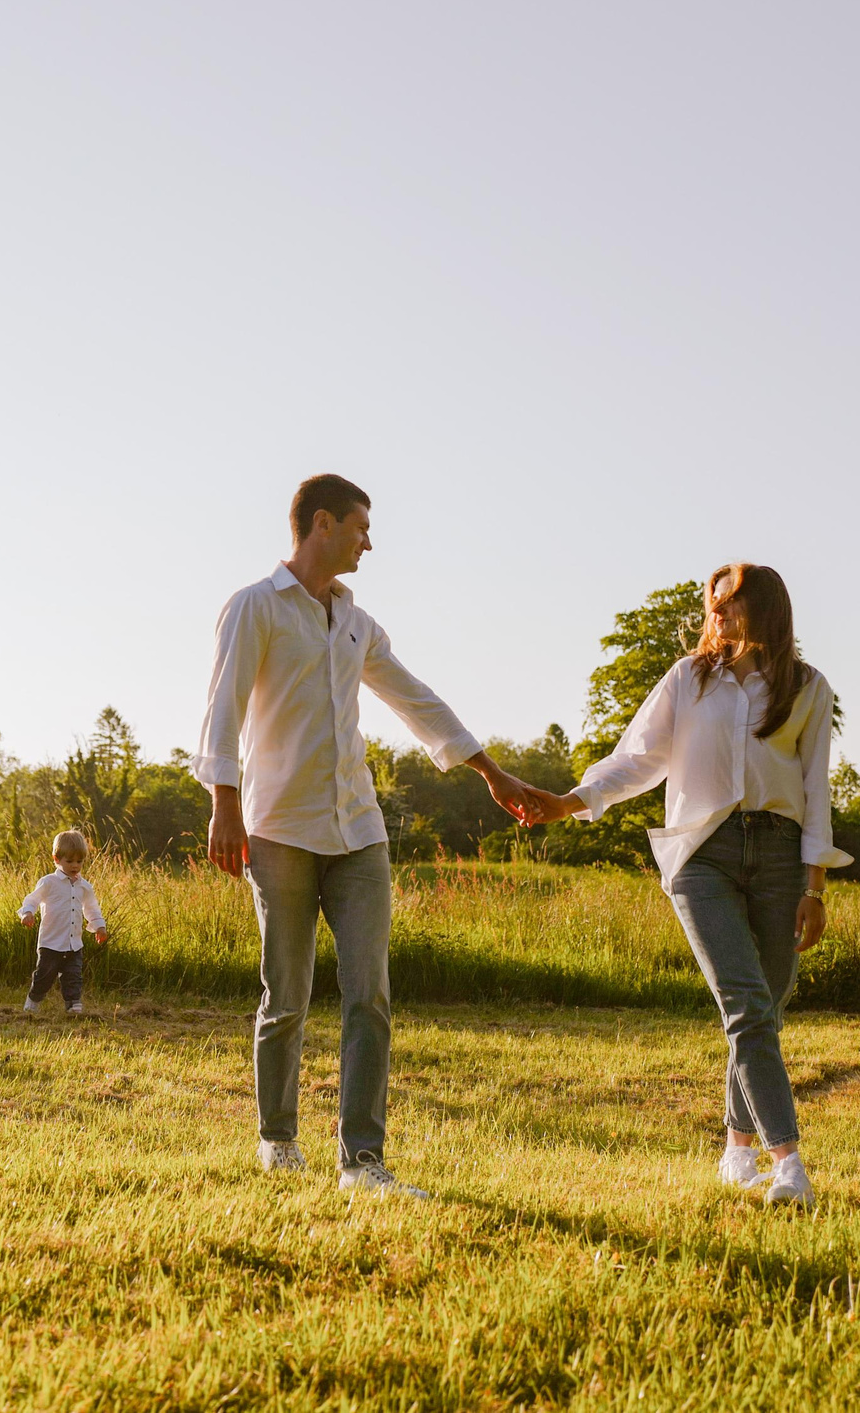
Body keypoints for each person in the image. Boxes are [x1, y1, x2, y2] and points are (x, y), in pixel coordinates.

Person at [196, 473, 548, 1197]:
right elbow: (222, 710)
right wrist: (223, 804)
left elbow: (415, 698)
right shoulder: (254, 606)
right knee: (286, 993)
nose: (369, 541)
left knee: (371, 996)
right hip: (280, 828)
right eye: (361, 526)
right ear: (321, 523)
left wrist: (490, 771)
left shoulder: (357, 623)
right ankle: (277, 1137)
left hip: (359, 831)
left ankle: (362, 1160)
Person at [524, 563, 850, 1207]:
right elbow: (639, 757)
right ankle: (788, 1163)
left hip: (781, 854)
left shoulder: (808, 688)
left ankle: (735, 1150)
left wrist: (815, 886)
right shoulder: (689, 678)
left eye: (728, 602)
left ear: (764, 609)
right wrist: (573, 800)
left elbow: (817, 792)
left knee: (763, 1009)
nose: (717, 613)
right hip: (703, 854)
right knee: (748, 1006)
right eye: (713, 603)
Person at [18, 829, 109, 1013]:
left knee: (73, 976)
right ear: (56, 859)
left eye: (79, 861)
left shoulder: (85, 886)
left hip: (74, 944)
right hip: (51, 943)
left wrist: (100, 926)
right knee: (44, 976)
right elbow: (32, 899)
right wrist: (27, 913)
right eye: (70, 861)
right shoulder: (49, 882)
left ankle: (73, 1005)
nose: (75, 865)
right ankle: (33, 1001)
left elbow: (91, 908)